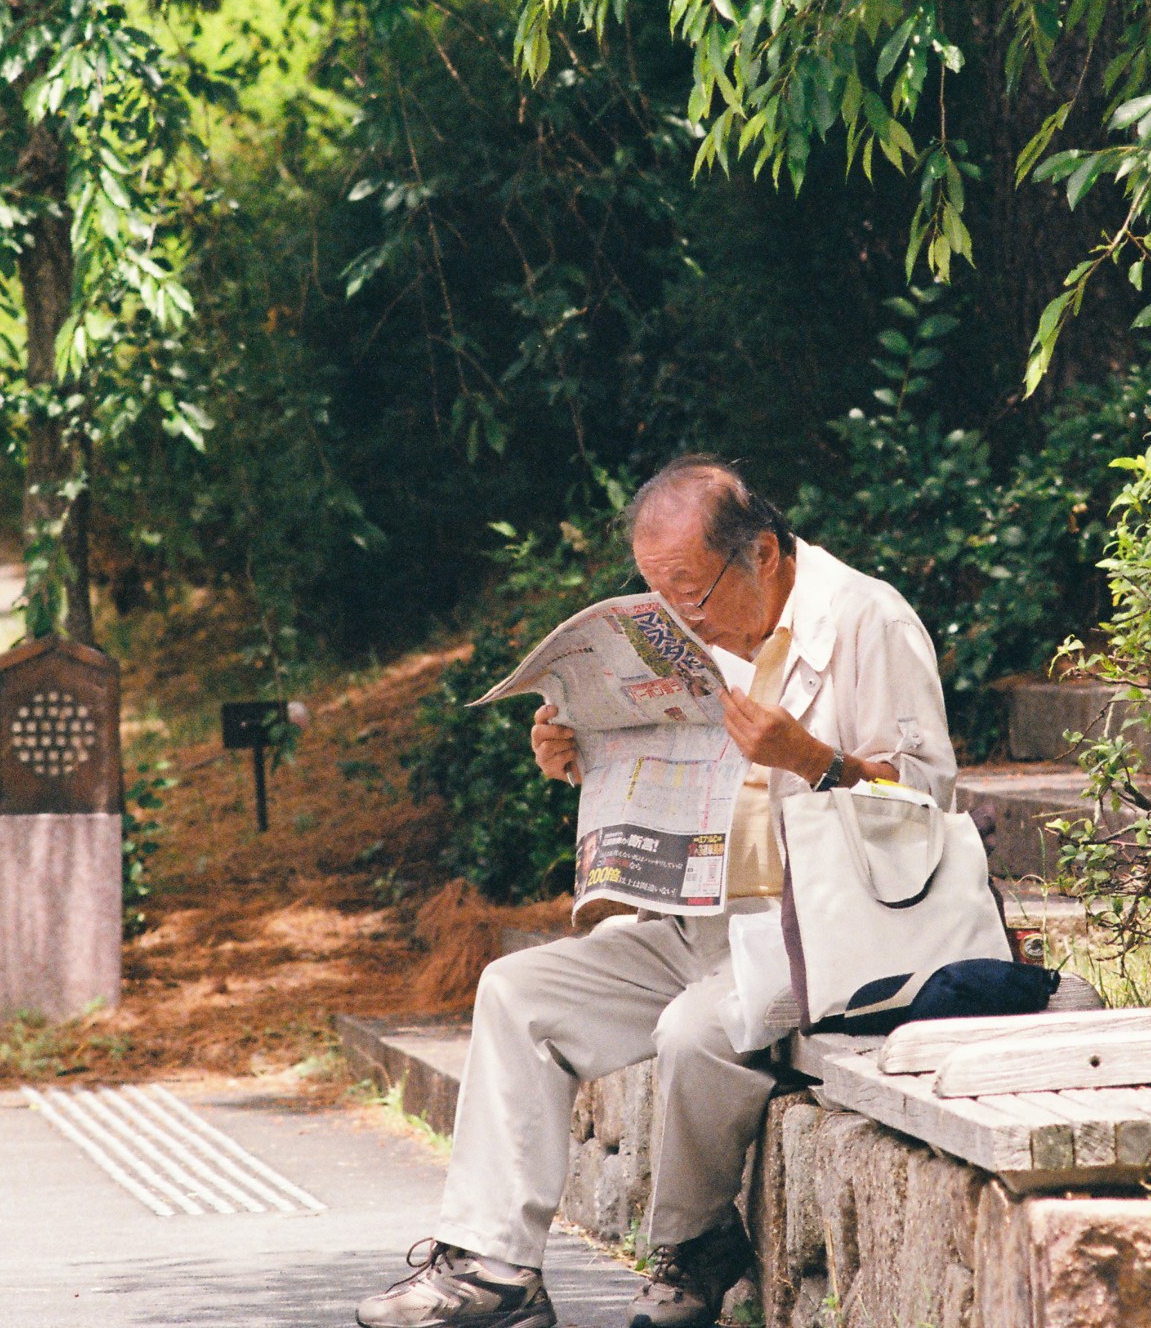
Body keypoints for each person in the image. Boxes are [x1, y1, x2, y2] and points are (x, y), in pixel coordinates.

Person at [358, 454, 955, 1328]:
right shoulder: (699, 639)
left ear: (764, 553)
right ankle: (495, 1271)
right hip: (696, 921)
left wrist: (811, 760)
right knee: (517, 991)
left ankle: (692, 1245)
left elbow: (932, 805)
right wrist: (577, 754)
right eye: (660, 595)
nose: (686, 618)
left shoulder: (869, 621)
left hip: (822, 931)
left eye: (694, 593)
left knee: (693, 1030)